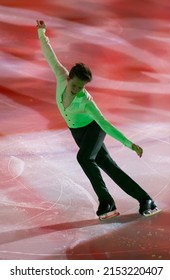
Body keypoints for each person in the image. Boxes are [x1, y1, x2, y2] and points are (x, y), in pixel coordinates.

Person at [36, 20, 158, 220]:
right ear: (69, 78)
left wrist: (128, 143)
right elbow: (50, 55)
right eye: (75, 86)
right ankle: (145, 199)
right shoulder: (61, 76)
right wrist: (41, 33)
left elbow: (104, 124)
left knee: (84, 158)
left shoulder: (87, 102)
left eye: (81, 87)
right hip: (78, 133)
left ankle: (105, 201)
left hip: (93, 130)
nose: (77, 91)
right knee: (109, 167)